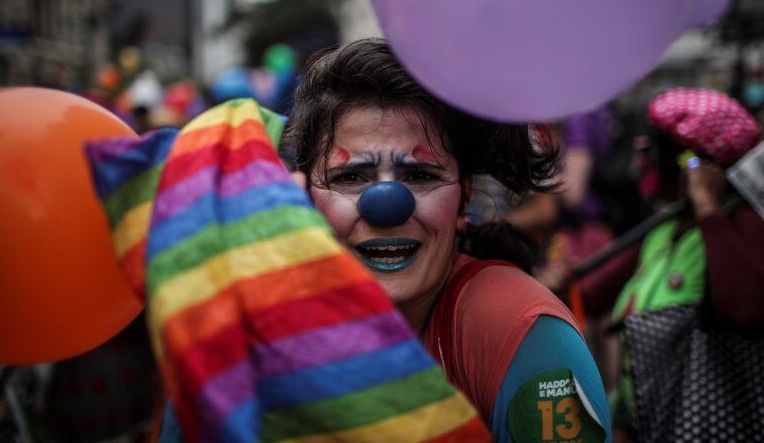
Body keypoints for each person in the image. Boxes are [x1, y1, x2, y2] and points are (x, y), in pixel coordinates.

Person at [284, 38, 612, 442]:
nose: (387, 206)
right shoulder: (272, 323)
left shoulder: (518, 329)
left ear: (465, 197)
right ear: (304, 195)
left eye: (420, 175)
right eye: (350, 177)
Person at [554, 88, 764, 441]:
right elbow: (589, 296)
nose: (642, 164)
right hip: (643, 425)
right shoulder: (662, 232)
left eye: (651, 152)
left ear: (692, 165)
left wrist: (708, 209)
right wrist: (555, 287)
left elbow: (745, 308)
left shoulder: (737, 224)